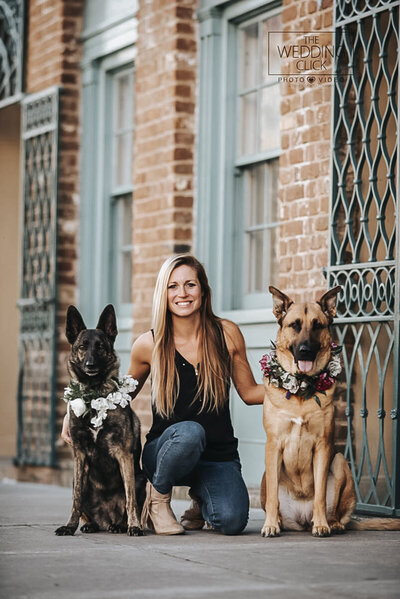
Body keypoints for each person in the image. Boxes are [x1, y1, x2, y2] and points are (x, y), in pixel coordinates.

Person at [62, 254, 264, 535]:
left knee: (231, 520)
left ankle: (200, 500)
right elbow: (119, 396)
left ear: (203, 291)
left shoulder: (226, 333)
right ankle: (157, 500)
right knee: (190, 432)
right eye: (173, 286)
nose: (182, 293)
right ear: (163, 293)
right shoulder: (148, 344)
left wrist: (296, 385)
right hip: (167, 452)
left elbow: (250, 392)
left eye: (190, 285)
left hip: (217, 455)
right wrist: (76, 409)